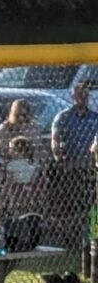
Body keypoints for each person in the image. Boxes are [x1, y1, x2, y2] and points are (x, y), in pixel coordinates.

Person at [49, 83, 98, 247]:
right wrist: (59, 157)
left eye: (84, 95)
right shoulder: (63, 117)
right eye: (78, 95)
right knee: (74, 205)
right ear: (72, 97)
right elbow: (55, 140)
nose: (82, 98)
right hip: (72, 167)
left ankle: (92, 236)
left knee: (92, 205)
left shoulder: (95, 117)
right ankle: (74, 239)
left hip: (91, 167)